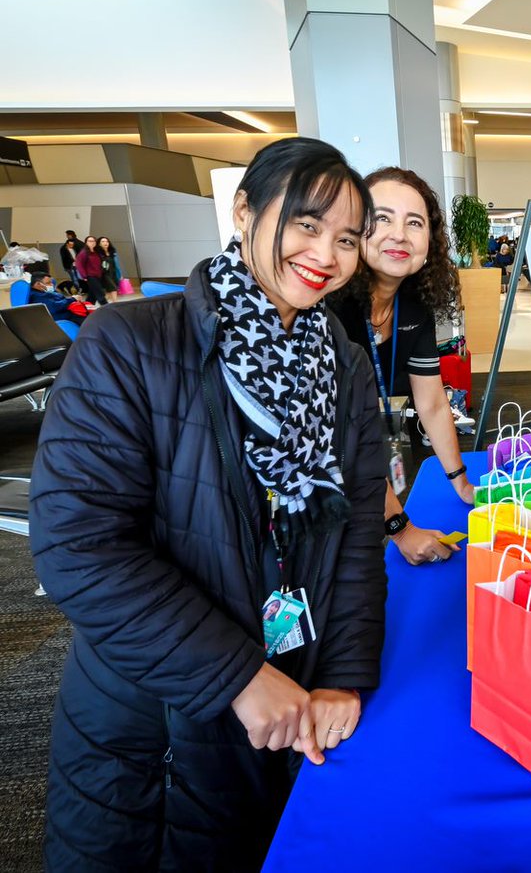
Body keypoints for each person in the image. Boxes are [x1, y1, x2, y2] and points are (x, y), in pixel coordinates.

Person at [30, 137, 387, 870]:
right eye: (306, 223)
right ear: (245, 210)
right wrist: (237, 676)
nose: (325, 252)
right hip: (156, 720)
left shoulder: (344, 365)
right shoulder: (128, 343)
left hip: (289, 697)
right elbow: (79, 545)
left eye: (347, 237)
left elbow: (353, 534)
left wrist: (341, 676)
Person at [332, 166, 474, 567]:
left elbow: (430, 403)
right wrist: (399, 528)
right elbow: (339, 438)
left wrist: (460, 482)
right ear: (354, 229)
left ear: (429, 242)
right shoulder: (327, 308)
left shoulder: (413, 309)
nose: (399, 234)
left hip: (364, 470)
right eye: (381, 219)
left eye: (415, 222)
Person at [72, 234, 108, 305]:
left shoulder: (96, 252)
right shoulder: (83, 252)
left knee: (92, 295)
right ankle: (107, 308)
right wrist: (84, 276)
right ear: (86, 242)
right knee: (100, 294)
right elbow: (79, 265)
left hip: (98, 276)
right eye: (89, 241)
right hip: (90, 276)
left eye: (93, 241)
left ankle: (87, 308)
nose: (92, 242)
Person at [96, 235, 124, 300]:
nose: (105, 243)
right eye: (103, 241)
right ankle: (115, 305)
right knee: (113, 289)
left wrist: (120, 274)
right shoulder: (98, 253)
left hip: (113, 273)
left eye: (107, 241)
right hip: (105, 274)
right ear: (99, 244)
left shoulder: (113, 252)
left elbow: (117, 265)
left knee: (109, 292)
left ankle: (104, 304)